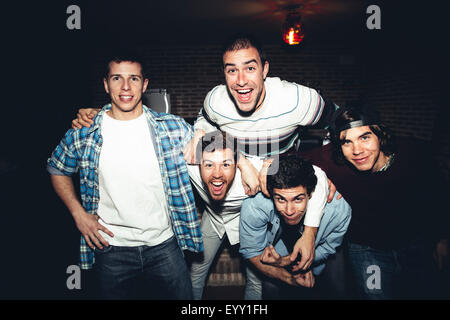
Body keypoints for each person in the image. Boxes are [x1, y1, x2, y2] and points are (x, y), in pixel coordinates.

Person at [71, 34, 337, 273]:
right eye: (232, 70)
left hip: (276, 180)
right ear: (224, 74)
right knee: (199, 269)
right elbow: (202, 123)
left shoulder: (298, 100)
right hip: (230, 192)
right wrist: (103, 115)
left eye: (250, 68)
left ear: (265, 69)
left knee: (265, 270)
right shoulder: (216, 101)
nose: (241, 80)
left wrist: (319, 168)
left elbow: (341, 128)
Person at [47, 51, 202, 299]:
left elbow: (212, 142)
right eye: (117, 78)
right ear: (106, 84)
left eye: (134, 78)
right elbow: (57, 168)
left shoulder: (171, 127)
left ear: (145, 84)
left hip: (164, 245)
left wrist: (252, 163)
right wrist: (78, 214)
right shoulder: (85, 131)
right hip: (111, 249)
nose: (126, 87)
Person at [302, 102, 449, 299]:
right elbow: (289, 158)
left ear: (380, 135)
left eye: (365, 137)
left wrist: (442, 238)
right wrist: (269, 166)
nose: (357, 150)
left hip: (415, 246)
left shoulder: (412, 155)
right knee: (375, 295)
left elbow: (437, 194)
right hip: (368, 252)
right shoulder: (334, 161)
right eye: (347, 142)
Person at [188, 131, 329, 299]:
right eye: (209, 165)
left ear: (235, 163)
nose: (217, 174)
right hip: (213, 218)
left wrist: (308, 234)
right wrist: (198, 132)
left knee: (256, 277)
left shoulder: (256, 169)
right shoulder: (190, 167)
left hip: (246, 218)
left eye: (226, 164)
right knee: (196, 272)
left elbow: (317, 175)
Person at [239, 153, 351, 299]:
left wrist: (293, 262)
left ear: (311, 193)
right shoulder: (255, 205)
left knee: (337, 288)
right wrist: (286, 273)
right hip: (275, 255)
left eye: (298, 199)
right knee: (270, 288)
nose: (289, 210)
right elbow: (252, 251)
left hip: (319, 257)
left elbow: (328, 248)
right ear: (271, 194)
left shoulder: (338, 211)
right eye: (280, 199)